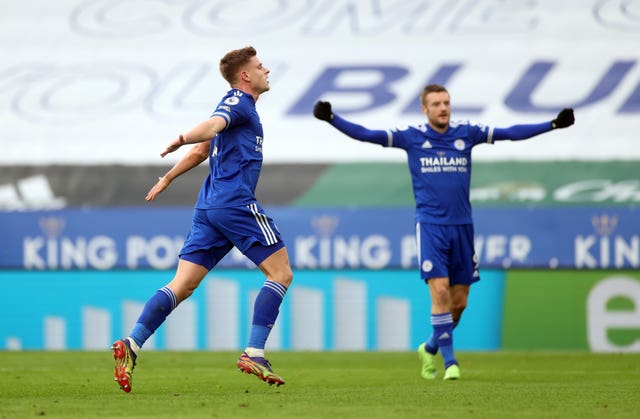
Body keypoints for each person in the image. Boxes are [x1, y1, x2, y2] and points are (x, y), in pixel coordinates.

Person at [313, 84, 574, 380]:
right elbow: (367, 135)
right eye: (436, 104)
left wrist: (552, 125)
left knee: (458, 303)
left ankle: (430, 347)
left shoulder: (467, 133)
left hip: (462, 226)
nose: (443, 108)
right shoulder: (411, 137)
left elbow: (510, 132)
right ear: (425, 109)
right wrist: (331, 117)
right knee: (439, 290)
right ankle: (451, 363)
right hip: (430, 226)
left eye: (446, 103)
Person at [112, 46, 293, 392]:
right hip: (234, 204)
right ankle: (254, 352)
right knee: (281, 273)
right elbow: (209, 130)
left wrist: (168, 177)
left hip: (208, 208)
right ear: (245, 75)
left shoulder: (236, 107)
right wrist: (181, 137)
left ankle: (132, 344)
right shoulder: (239, 103)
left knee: (183, 285)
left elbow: (202, 150)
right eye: (259, 66)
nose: (266, 70)